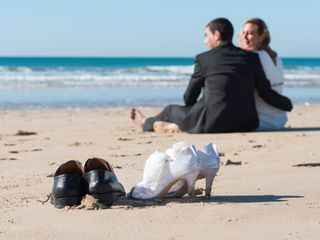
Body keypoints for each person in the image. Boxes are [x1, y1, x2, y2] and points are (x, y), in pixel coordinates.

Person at [130, 18, 292, 133]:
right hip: (245, 124)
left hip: (211, 125)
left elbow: (188, 98)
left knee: (171, 109)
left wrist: (191, 109)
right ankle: (173, 125)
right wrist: (287, 104)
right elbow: (265, 91)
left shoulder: (203, 58)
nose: (205, 41)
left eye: (206, 35)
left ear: (217, 35)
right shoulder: (251, 58)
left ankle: (146, 123)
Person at [239, 18, 288, 130]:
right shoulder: (275, 56)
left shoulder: (254, 57)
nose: (244, 37)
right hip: (280, 119)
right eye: (243, 32)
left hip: (262, 122)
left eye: (250, 33)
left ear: (262, 37)